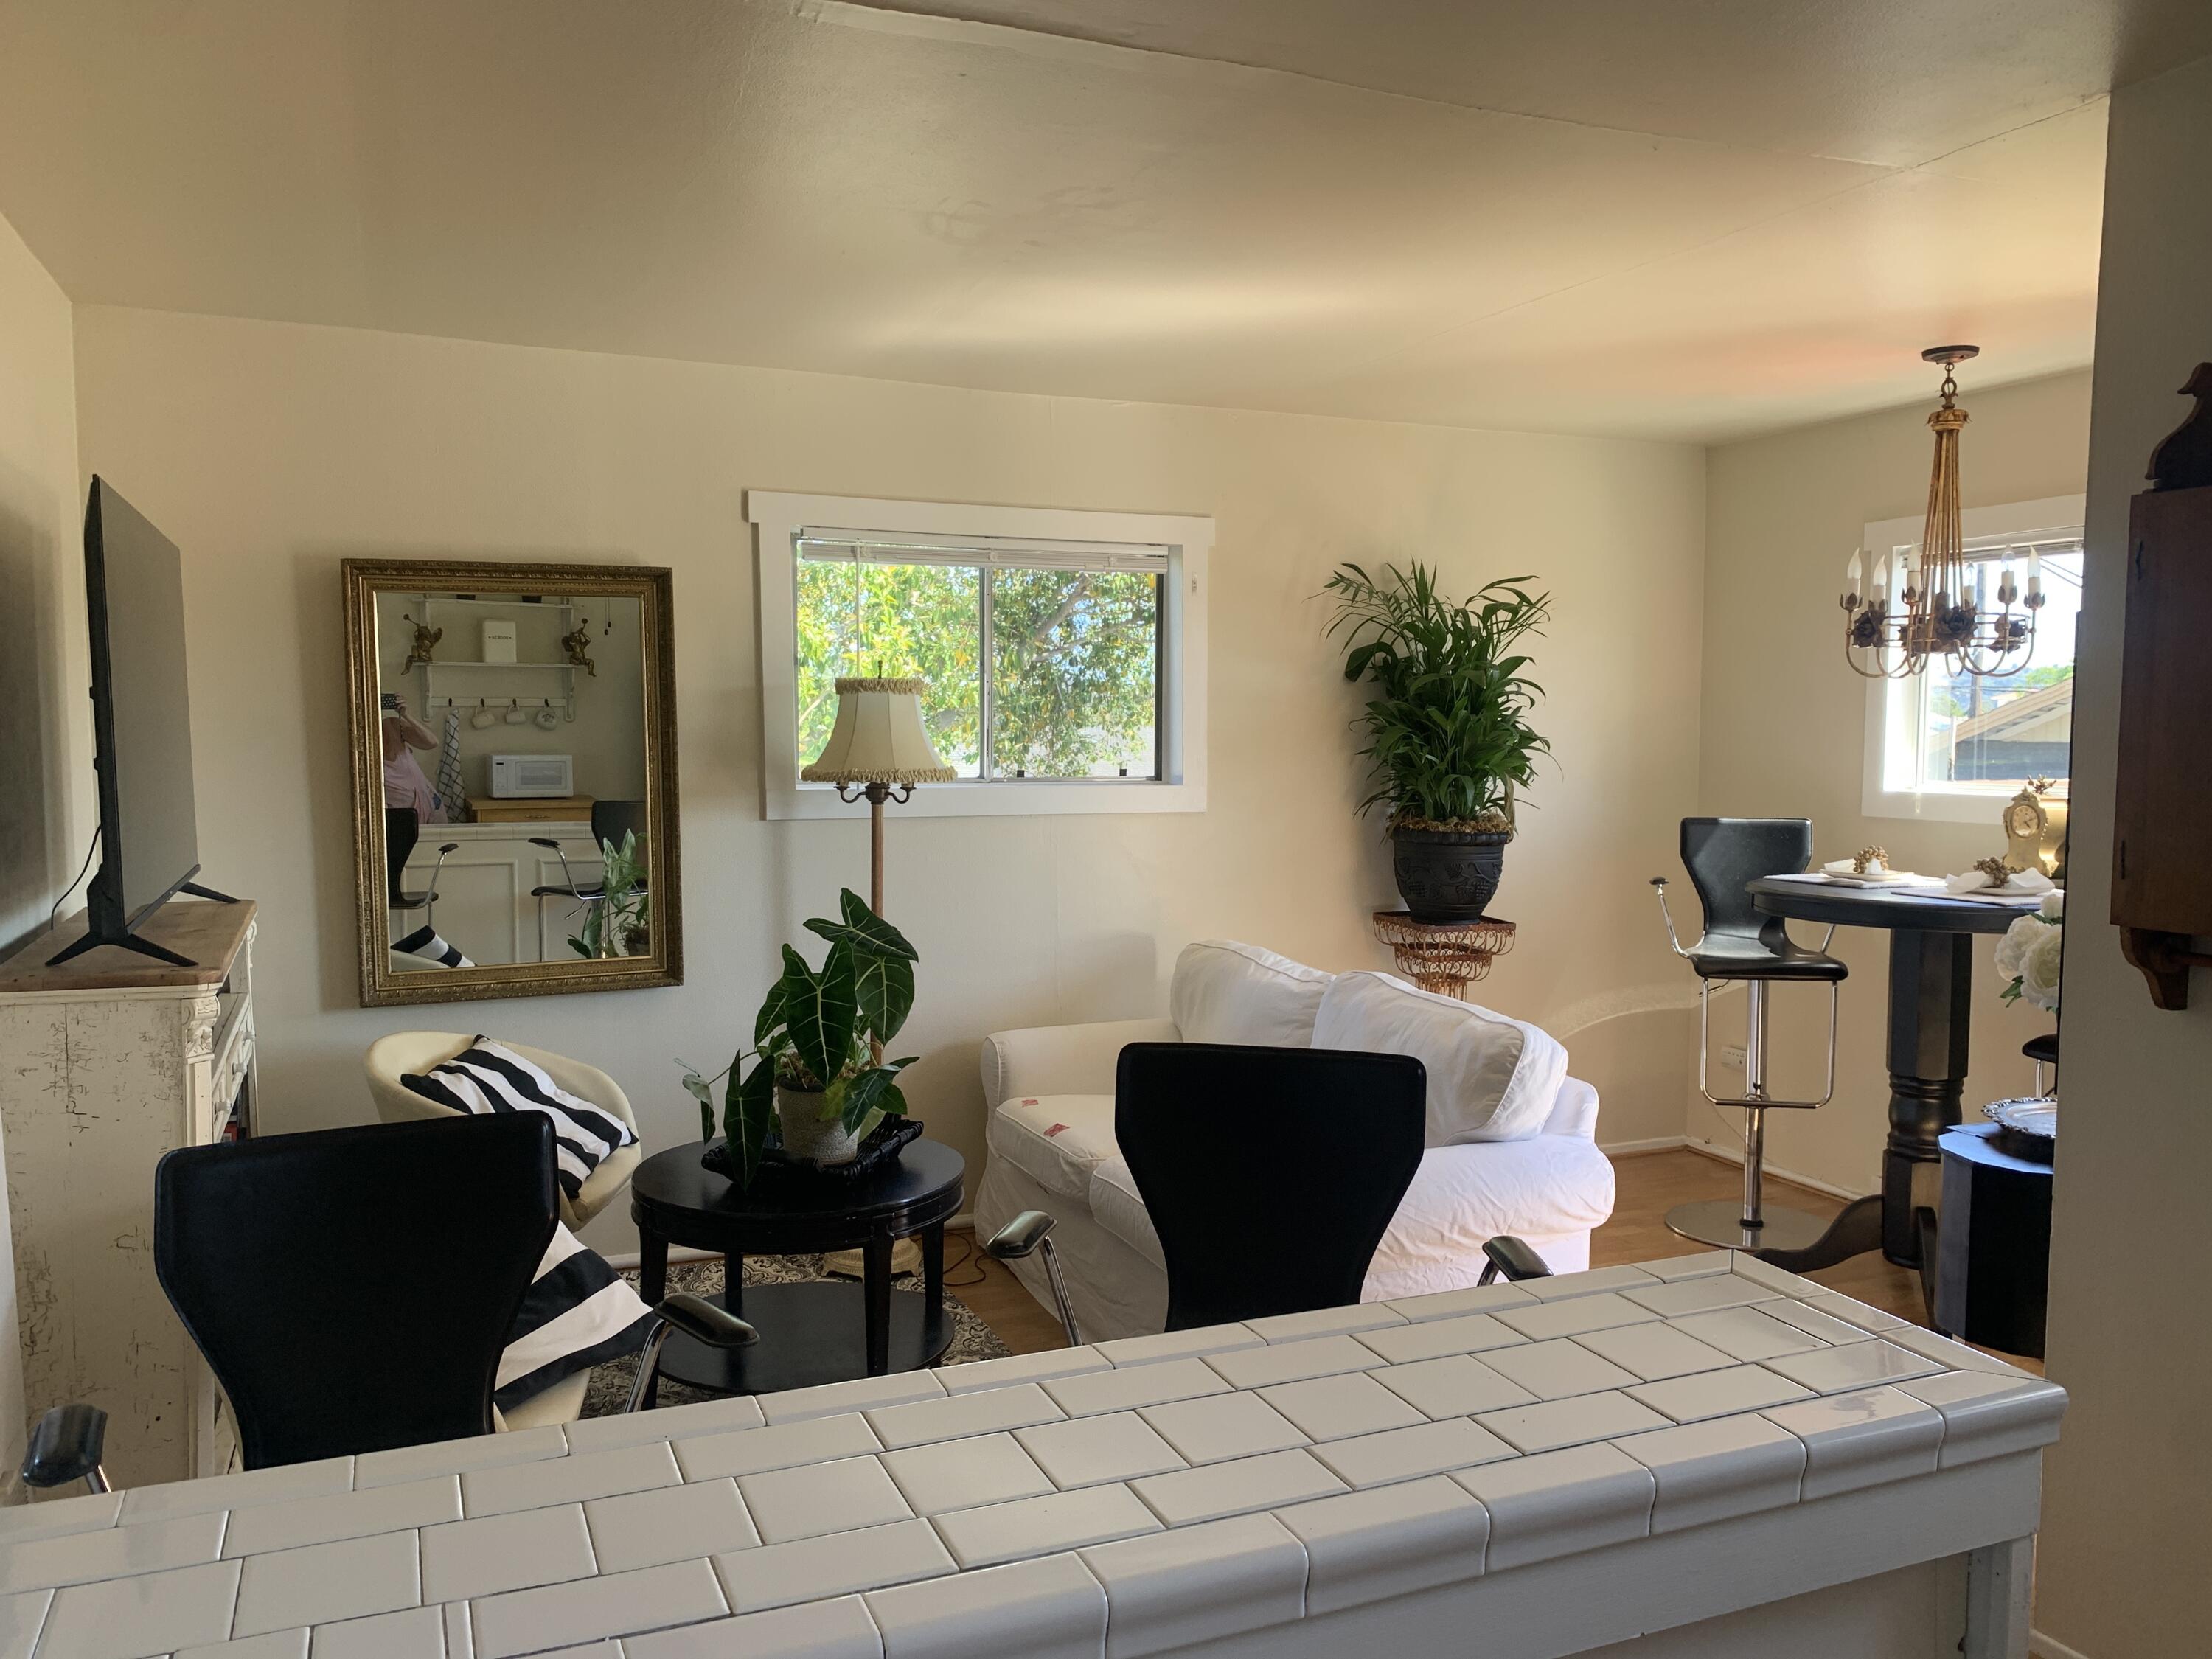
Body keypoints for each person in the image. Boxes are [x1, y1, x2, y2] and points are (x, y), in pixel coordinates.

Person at [381, 694, 448, 824]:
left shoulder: (392, 725)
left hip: (431, 806)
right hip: (403, 819)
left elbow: (432, 742)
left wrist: (406, 715)